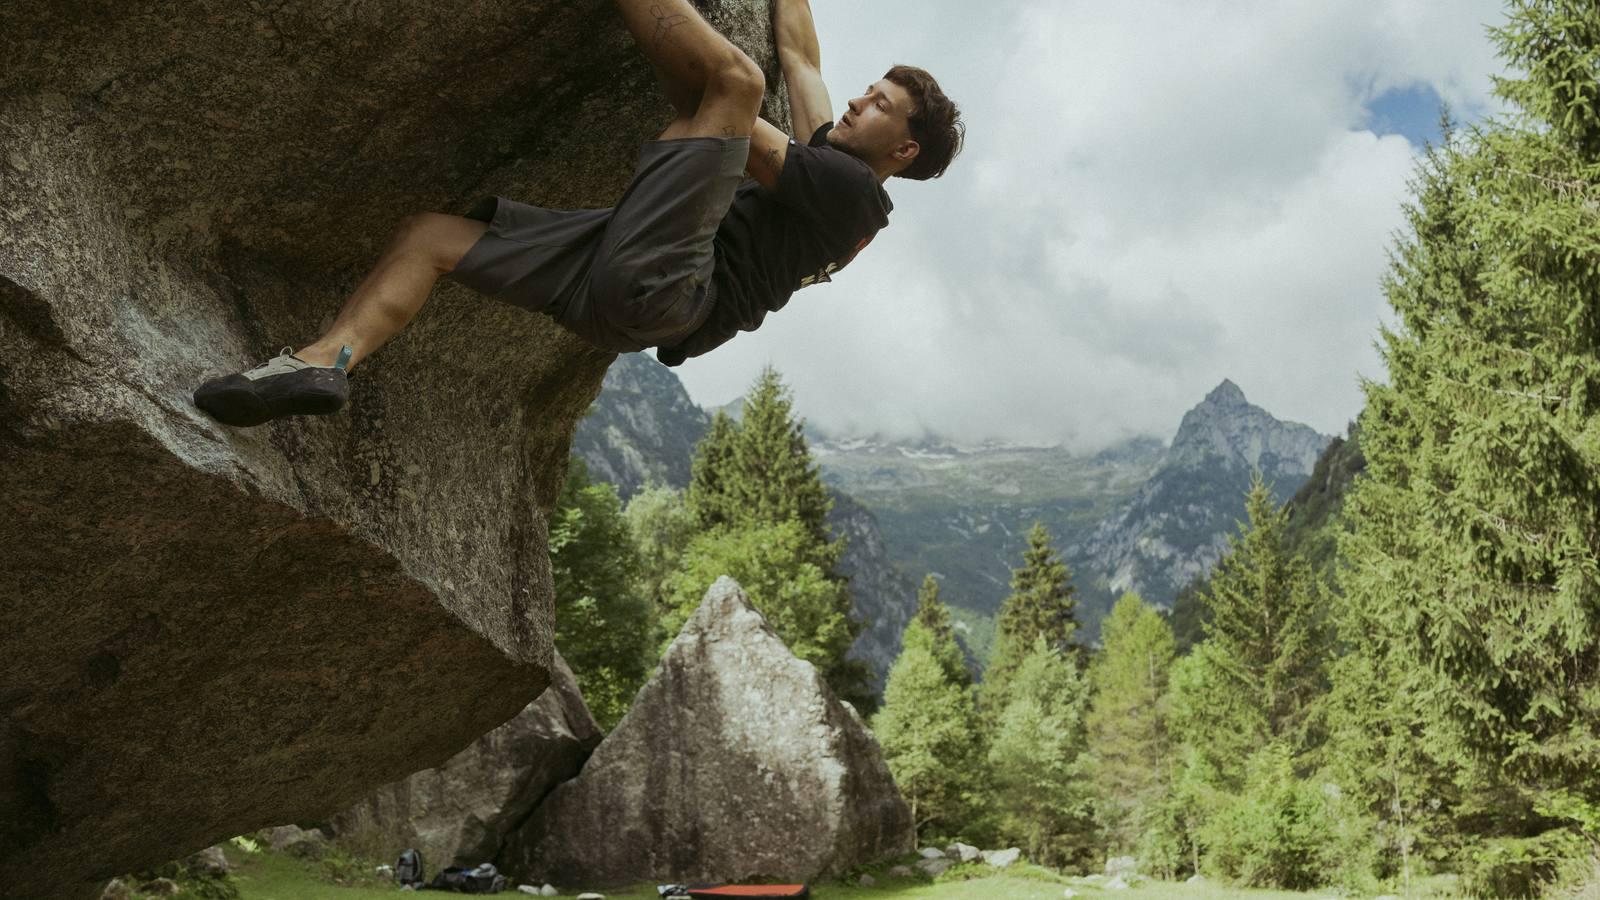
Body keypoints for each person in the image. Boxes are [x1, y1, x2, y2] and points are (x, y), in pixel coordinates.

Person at [194, 0, 963, 427]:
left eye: (882, 106)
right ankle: (323, 361)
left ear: (903, 151)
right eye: (871, 90)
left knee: (733, 78)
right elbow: (803, 59)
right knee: (426, 238)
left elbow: (742, 114)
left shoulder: (854, 195)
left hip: (670, 283)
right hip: (624, 297)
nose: (861, 101)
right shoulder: (836, 169)